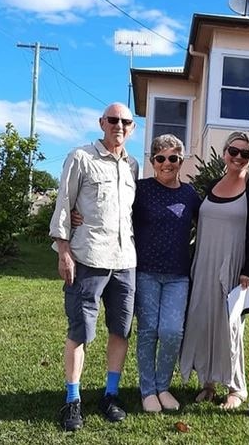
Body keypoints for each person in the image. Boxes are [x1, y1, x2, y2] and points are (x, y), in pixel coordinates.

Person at [49, 102, 139, 432]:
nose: (118, 125)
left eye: (125, 121)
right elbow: (64, 205)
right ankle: (72, 400)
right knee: (80, 331)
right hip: (88, 259)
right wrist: (64, 251)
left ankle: (110, 395)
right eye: (112, 120)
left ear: (132, 128)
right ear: (102, 123)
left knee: (120, 330)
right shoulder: (81, 158)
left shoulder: (132, 165)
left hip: (125, 261)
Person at [179, 131, 249, 410]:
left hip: (235, 266)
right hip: (204, 263)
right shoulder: (213, 184)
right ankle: (208, 382)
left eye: (245, 153)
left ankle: (236, 388)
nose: (238, 157)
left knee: (230, 327)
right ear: (225, 152)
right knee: (204, 321)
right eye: (233, 151)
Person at [132, 134, 201, 413]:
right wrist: (79, 215)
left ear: (181, 161)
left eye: (173, 158)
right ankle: (148, 390)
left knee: (172, 332)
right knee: (148, 332)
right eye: (160, 158)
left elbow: (212, 219)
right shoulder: (141, 190)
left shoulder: (189, 194)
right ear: (153, 162)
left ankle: (163, 386)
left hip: (178, 275)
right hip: (146, 273)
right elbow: (113, 211)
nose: (167, 163)